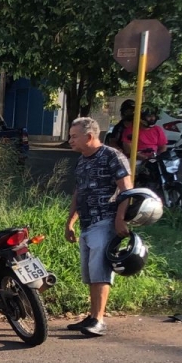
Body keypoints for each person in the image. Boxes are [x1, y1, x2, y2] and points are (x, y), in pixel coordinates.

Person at [65, 116, 133, 337]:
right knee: (90, 274)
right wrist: (70, 222)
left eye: (74, 137)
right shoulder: (83, 160)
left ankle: (99, 320)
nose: (70, 141)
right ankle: (92, 315)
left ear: (89, 136)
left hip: (105, 221)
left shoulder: (112, 156)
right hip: (87, 223)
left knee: (100, 272)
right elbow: (79, 192)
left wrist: (120, 219)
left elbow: (126, 190)